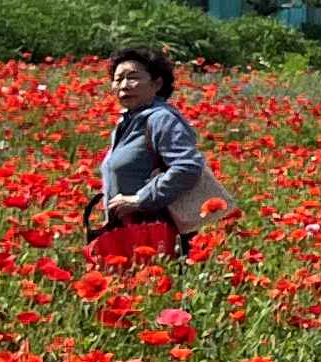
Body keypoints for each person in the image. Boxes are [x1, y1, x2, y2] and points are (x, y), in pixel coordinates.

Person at [89, 45, 222, 261]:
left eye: (132, 77)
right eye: (117, 78)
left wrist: (139, 199)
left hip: (156, 236)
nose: (123, 85)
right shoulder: (129, 121)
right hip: (130, 231)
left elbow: (187, 166)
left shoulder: (161, 119)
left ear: (157, 83)